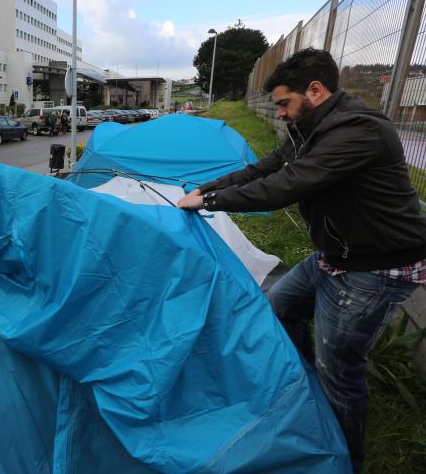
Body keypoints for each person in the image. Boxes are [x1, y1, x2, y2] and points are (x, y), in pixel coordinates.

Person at [177, 48, 426, 473]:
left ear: (314, 90)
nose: (280, 113)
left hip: (375, 266)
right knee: (281, 307)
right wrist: (206, 189)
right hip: (337, 254)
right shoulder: (307, 128)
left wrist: (212, 203)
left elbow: (286, 185)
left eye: (284, 103)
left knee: (340, 370)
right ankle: (306, 391)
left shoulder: (358, 131)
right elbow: (264, 170)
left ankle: (343, 460)